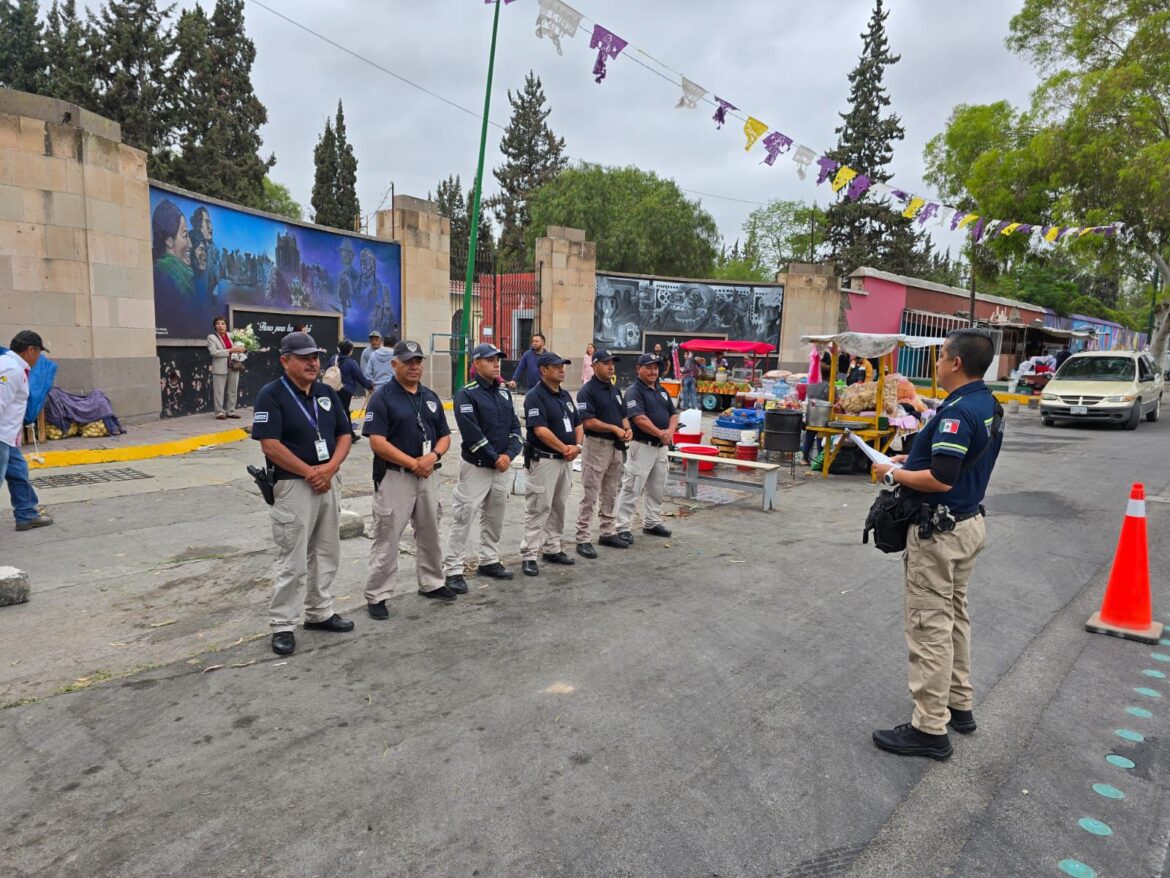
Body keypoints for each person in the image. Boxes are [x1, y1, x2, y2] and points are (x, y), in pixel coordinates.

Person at [871, 328, 1005, 761]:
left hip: (940, 534)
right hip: (967, 525)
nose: (936, 361)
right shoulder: (985, 403)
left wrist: (891, 474)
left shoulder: (956, 413)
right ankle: (958, 703)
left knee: (929, 626)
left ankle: (929, 728)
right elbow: (953, 465)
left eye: (941, 354)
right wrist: (907, 461)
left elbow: (940, 478)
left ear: (956, 363)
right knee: (954, 616)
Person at [250, 331, 355, 656]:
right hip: (295, 485)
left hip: (327, 481)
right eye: (305, 357)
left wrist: (330, 469)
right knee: (293, 558)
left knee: (327, 552)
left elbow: (345, 434)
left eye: (315, 356)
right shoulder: (271, 394)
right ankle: (283, 624)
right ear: (285, 360)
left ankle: (318, 612)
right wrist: (311, 472)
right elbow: (270, 444)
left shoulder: (326, 392)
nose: (313, 362)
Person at [363, 340, 455, 616]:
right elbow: (377, 442)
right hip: (396, 476)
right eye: (408, 362)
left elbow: (445, 435)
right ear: (394, 364)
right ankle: (377, 595)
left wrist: (434, 457)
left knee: (430, 531)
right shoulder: (382, 397)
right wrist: (413, 463)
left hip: (427, 474)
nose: (414, 367)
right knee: (387, 535)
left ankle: (432, 583)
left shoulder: (429, 396)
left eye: (418, 361)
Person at [442, 343, 523, 591]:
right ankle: (453, 569)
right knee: (464, 516)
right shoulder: (466, 394)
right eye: (489, 359)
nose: (496, 363)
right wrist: (494, 457)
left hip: (501, 466)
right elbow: (470, 432)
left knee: (495, 517)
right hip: (477, 466)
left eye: (497, 359)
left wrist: (508, 455)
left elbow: (515, 429)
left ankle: (489, 560)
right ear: (476, 364)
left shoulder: (504, 393)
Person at [519, 351, 583, 576]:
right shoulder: (535, 396)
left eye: (563, 366)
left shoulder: (565, 395)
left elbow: (578, 423)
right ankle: (529, 554)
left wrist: (577, 446)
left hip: (565, 460)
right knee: (539, 507)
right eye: (556, 366)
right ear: (543, 369)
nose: (562, 369)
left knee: (559, 506)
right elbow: (540, 430)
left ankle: (552, 548)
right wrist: (565, 448)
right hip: (545, 460)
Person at [614, 352, 679, 544]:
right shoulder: (634, 391)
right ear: (638, 369)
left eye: (655, 368)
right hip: (642, 446)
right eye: (648, 367)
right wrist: (661, 433)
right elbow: (639, 419)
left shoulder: (661, 390)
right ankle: (622, 526)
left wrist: (669, 431)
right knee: (632, 487)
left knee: (657, 487)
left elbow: (674, 414)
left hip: (661, 447)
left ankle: (652, 522)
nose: (653, 371)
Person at [574, 349, 631, 558]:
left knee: (611, 491)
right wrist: (615, 429)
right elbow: (587, 421)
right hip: (597, 446)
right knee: (590, 493)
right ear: (595, 365)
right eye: (606, 363)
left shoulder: (615, 390)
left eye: (612, 363)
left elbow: (624, 415)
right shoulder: (587, 391)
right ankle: (583, 538)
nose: (611, 367)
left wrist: (627, 428)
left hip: (616, 448)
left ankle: (607, 531)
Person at [0, 331, 53, 532]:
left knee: (18, 472)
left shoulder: (10, 365)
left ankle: (26, 515)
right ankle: (26, 514)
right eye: (39, 352)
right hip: (1, 435)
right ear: (30, 350)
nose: (39, 357)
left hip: (8, 436)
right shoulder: (11, 369)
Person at [331, 339, 372, 438]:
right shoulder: (350, 362)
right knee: (344, 411)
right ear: (350, 350)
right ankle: (348, 434)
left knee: (337, 410)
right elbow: (359, 377)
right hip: (346, 391)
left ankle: (342, 432)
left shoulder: (333, 359)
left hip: (333, 388)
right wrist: (369, 386)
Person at [206, 317, 245, 420]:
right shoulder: (211, 337)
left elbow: (240, 347)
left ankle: (231, 411)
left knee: (233, 390)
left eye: (223, 324)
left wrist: (243, 349)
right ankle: (219, 412)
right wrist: (230, 351)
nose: (220, 326)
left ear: (226, 326)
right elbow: (213, 352)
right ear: (215, 326)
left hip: (233, 365)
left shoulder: (232, 336)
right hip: (219, 367)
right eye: (218, 324)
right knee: (219, 391)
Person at [801, 362, 832, 464]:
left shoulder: (811, 384)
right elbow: (835, 399)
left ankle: (805, 458)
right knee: (820, 436)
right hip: (823, 414)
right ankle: (819, 461)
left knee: (809, 435)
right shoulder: (830, 386)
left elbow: (808, 396)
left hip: (811, 412)